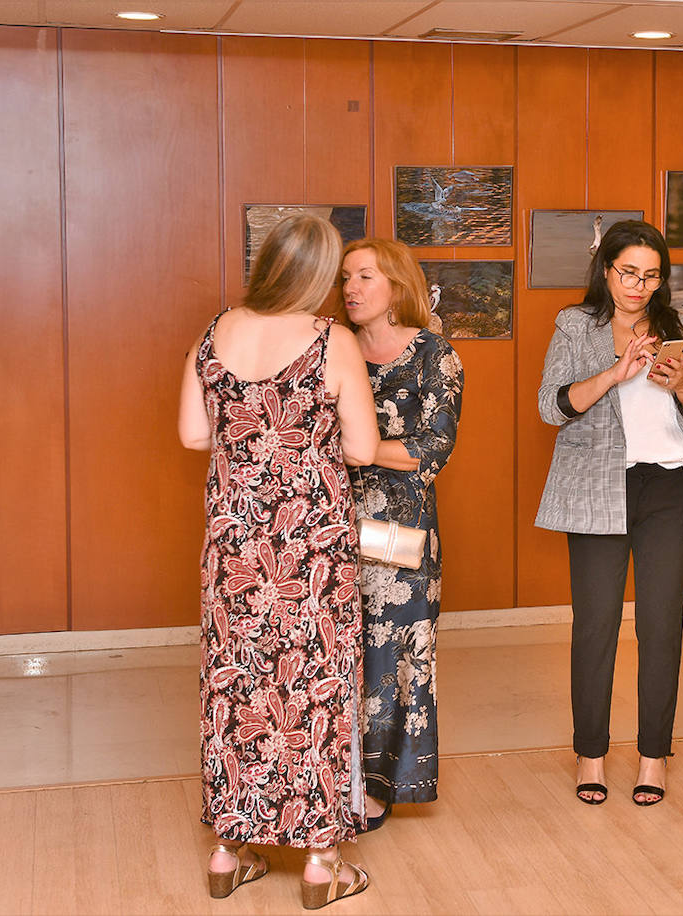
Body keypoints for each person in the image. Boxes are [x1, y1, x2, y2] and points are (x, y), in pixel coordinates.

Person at [178, 215, 380, 909]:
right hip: (311, 547)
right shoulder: (332, 341)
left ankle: (229, 850)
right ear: (318, 276)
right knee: (318, 684)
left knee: (235, 684)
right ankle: (323, 861)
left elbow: (191, 431)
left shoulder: (215, 331)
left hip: (234, 546)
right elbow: (359, 448)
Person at [535, 219, 683, 808]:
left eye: (650, 275)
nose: (638, 286)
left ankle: (652, 757)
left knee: (662, 626)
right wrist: (617, 373)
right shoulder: (575, 325)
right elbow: (552, 407)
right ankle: (591, 754)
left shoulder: (678, 327)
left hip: (668, 484)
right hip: (596, 486)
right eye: (627, 273)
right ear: (606, 269)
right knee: (595, 627)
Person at [337, 238, 464, 829]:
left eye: (365, 276)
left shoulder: (433, 355)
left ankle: (382, 784)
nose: (351, 288)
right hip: (329, 523)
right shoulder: (332, 351)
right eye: (345, 278)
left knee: (396, 657)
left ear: (396, 287)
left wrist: (360, 450)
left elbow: (433, 450)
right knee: (337, 655)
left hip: (402, 535)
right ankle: (332, 780)